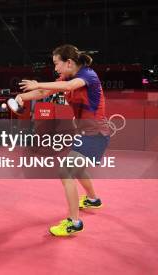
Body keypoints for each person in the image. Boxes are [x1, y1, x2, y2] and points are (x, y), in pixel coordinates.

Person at [17, 44, 110, 237]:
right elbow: (44, 93)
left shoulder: (88, 75)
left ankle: (74, 223)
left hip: (96, 134)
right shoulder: (66, 76)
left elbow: (67, 87)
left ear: (69, 62)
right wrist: (21, 97)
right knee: (78, 168)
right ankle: (93, 200)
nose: (55, 68)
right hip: (85, 133)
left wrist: (39, 83)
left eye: (56, 64)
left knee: (66, 170)